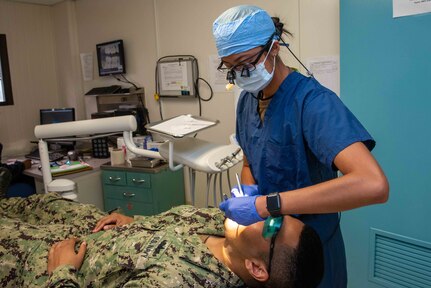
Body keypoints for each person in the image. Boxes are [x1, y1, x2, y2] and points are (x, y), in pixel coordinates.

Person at [212, 5, 389, 288]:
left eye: (245, 63)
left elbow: (373, 185)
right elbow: (249, 161)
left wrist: (266, 204)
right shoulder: (247, 101)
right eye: (231, 68)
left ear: (274, 47)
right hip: (271, 250)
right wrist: (247, 193)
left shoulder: (313, 102)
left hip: (311, 249)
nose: (241, 74)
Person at [0, 193, 324, 288]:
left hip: (49, 262)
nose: (262, 211)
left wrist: (62, 273)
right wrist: (136, 222)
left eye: (271, 226)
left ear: (256, 268)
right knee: (38, 201)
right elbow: (170, 228)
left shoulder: (181, 282)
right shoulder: (221, 225)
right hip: (91, 227)